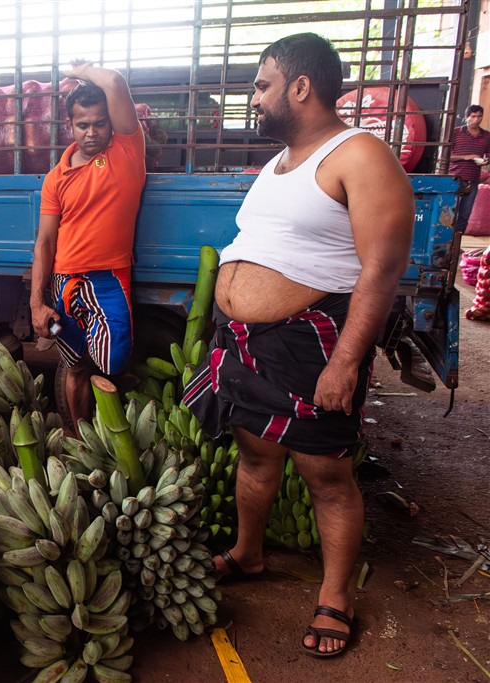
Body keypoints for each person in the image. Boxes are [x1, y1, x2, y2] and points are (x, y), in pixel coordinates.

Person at [182, 33, 415, 658]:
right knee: (255, 455)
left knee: (327, 473)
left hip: (312, 341)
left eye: (263, 85)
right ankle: (248, 553)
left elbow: (383, 268)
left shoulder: (359, 154)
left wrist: (346, 363)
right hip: (247, 341)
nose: (255, 98)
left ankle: (336, 596)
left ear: (301, 87)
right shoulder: (280, 162)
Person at [29, 61, 145, 426]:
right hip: (64, 283)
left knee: (113, 360)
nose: (92, 132)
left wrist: (82, 70)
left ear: (111, 124)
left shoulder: (127, 153)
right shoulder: (56, 177)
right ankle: (76, 437)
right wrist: (36, 303)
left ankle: (109, 430)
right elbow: (46, 241)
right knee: (74, 365)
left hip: (108, 280)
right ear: (70, 125)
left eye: (100, 123)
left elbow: (115, 82)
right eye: (83, 125)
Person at [448, 104, 490, 234]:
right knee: (449, 212)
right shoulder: (455, 133)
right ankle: (444, 242)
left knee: (465, 214)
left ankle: (457, 242)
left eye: (479, 116)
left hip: (473, 179)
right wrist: (466, 157)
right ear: (466, 117)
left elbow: (488, 155)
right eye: (473, 116)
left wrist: (486, 161)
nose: (476, 119)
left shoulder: (487, 136)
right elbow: (444, 157)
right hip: (454, 178)